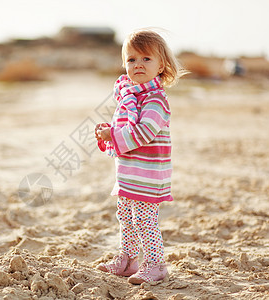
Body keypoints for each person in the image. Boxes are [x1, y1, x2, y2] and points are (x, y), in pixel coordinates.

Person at [95, 29, 187, 284]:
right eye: (132, 59)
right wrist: (110, 131)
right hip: (130, 171)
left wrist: (112, 135)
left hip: (148, 174)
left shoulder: (156, 99)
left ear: (161, 65)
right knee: (125, 215)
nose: (138, 65)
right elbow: (127, 126)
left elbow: (144, 132)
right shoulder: (130, 97)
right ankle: (128, 259)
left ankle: (156, 265)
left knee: (144, 219)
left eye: (146, 59)